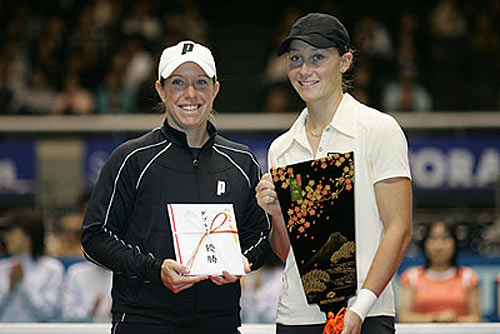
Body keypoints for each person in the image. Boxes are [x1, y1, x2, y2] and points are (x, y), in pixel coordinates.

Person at [81, 40, 271, 334]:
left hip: (218, 321)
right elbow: (95, 237)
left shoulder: (242, 162)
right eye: (178, 83)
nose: (190, 94)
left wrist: (243, 261)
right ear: (160, 89)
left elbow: (261, 234)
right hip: (144, 320)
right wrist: (154, 270)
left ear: (215, 89)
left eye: (201, 82)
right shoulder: (131, 159)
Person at [255, 13, 412, 334]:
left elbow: (399, 228)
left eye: (318, 58)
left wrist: (360, 308)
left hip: (365, 314)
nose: (304, 69)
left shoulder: (378, 130)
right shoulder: (282, 148)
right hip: (296, 317)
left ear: (345, 61)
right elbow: (289, 253)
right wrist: (276, 214)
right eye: (295, 59)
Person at [398, 222, 481, 322]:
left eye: (445, 238)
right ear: (425, 243)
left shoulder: (468, 277)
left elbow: (476, 318)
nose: (439, 246)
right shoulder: (411, 277)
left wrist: (454, 320)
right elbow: (404, 317)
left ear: (455, 243)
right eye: (433, 239)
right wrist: (435, 318)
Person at [0, 208, 65, 322]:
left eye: (12, 232)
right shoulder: (2, 267)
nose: (6, 237)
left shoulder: (52, 268)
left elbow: (48, 313)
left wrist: (22, 285)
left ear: (28, 234)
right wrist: (10, 289)